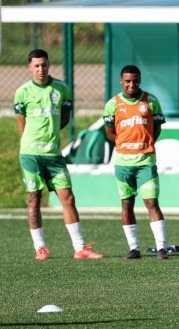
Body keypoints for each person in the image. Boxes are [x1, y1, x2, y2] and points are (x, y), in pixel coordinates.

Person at [14, 49, 103, 260]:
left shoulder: (61, 89)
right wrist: (32, 143)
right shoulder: (23, 92)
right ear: (29, 67)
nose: (40, 69)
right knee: (34, 199)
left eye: (44, 65)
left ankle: (80, 248)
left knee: (68, 198)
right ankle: (40, 248)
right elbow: (21, 125)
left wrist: (50, 137)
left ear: (48, 65)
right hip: (30, 154)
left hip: (54, 154)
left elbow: (64, 119)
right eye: (36, 66)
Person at [103, 65, 168, 260]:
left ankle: (162, 248)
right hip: (123, 163)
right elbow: (109, 132)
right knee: (126, 204)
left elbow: (157, 128)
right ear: (121, 81)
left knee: (151, 202)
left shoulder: (151, 101)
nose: (132, 84)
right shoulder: (112, 104)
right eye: (128, 81)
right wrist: (124, 144)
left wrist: (146, 143)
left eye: (135, 81)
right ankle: (134, 248)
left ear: (140, 80)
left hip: (146, 161)